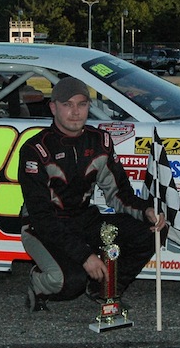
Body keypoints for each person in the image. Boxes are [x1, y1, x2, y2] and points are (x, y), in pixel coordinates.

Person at [18, 76, 166, 312]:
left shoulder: (100, 141)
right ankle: (38, 282)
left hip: (84, 219)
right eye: (68, 105)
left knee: (151, 231)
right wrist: (85, 256)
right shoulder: (35, 149)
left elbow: (119, 194)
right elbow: (42, 217)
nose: (76, 112)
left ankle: (104, 290)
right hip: (41, 227)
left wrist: (146, 210)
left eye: (82, 104)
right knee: (70, 282)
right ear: (54, 107)